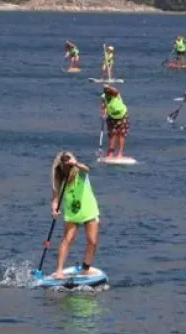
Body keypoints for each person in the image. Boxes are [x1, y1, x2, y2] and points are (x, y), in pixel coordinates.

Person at [50, 152, 102, 280]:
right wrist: (54, 208)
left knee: (92, 241)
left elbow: (87, 169)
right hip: (72, 213)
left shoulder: (81, 172)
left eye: (69, 161)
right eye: (65, 164)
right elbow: (55, 199)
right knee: (68, 239)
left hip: (89, 210)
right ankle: (59, 270)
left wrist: (76, 164)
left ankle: (86, 268)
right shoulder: (60, 179)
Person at [100, 85, 129, 158]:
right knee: (112, 134)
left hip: (122, 115)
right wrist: (103, 113)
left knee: (121, 134)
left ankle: (120, 153)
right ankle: (110, 153)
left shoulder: (116, 94)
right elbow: (103, 105)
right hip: (112, 116)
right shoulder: (104, 96)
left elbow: (116, 90)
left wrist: (109, 87)